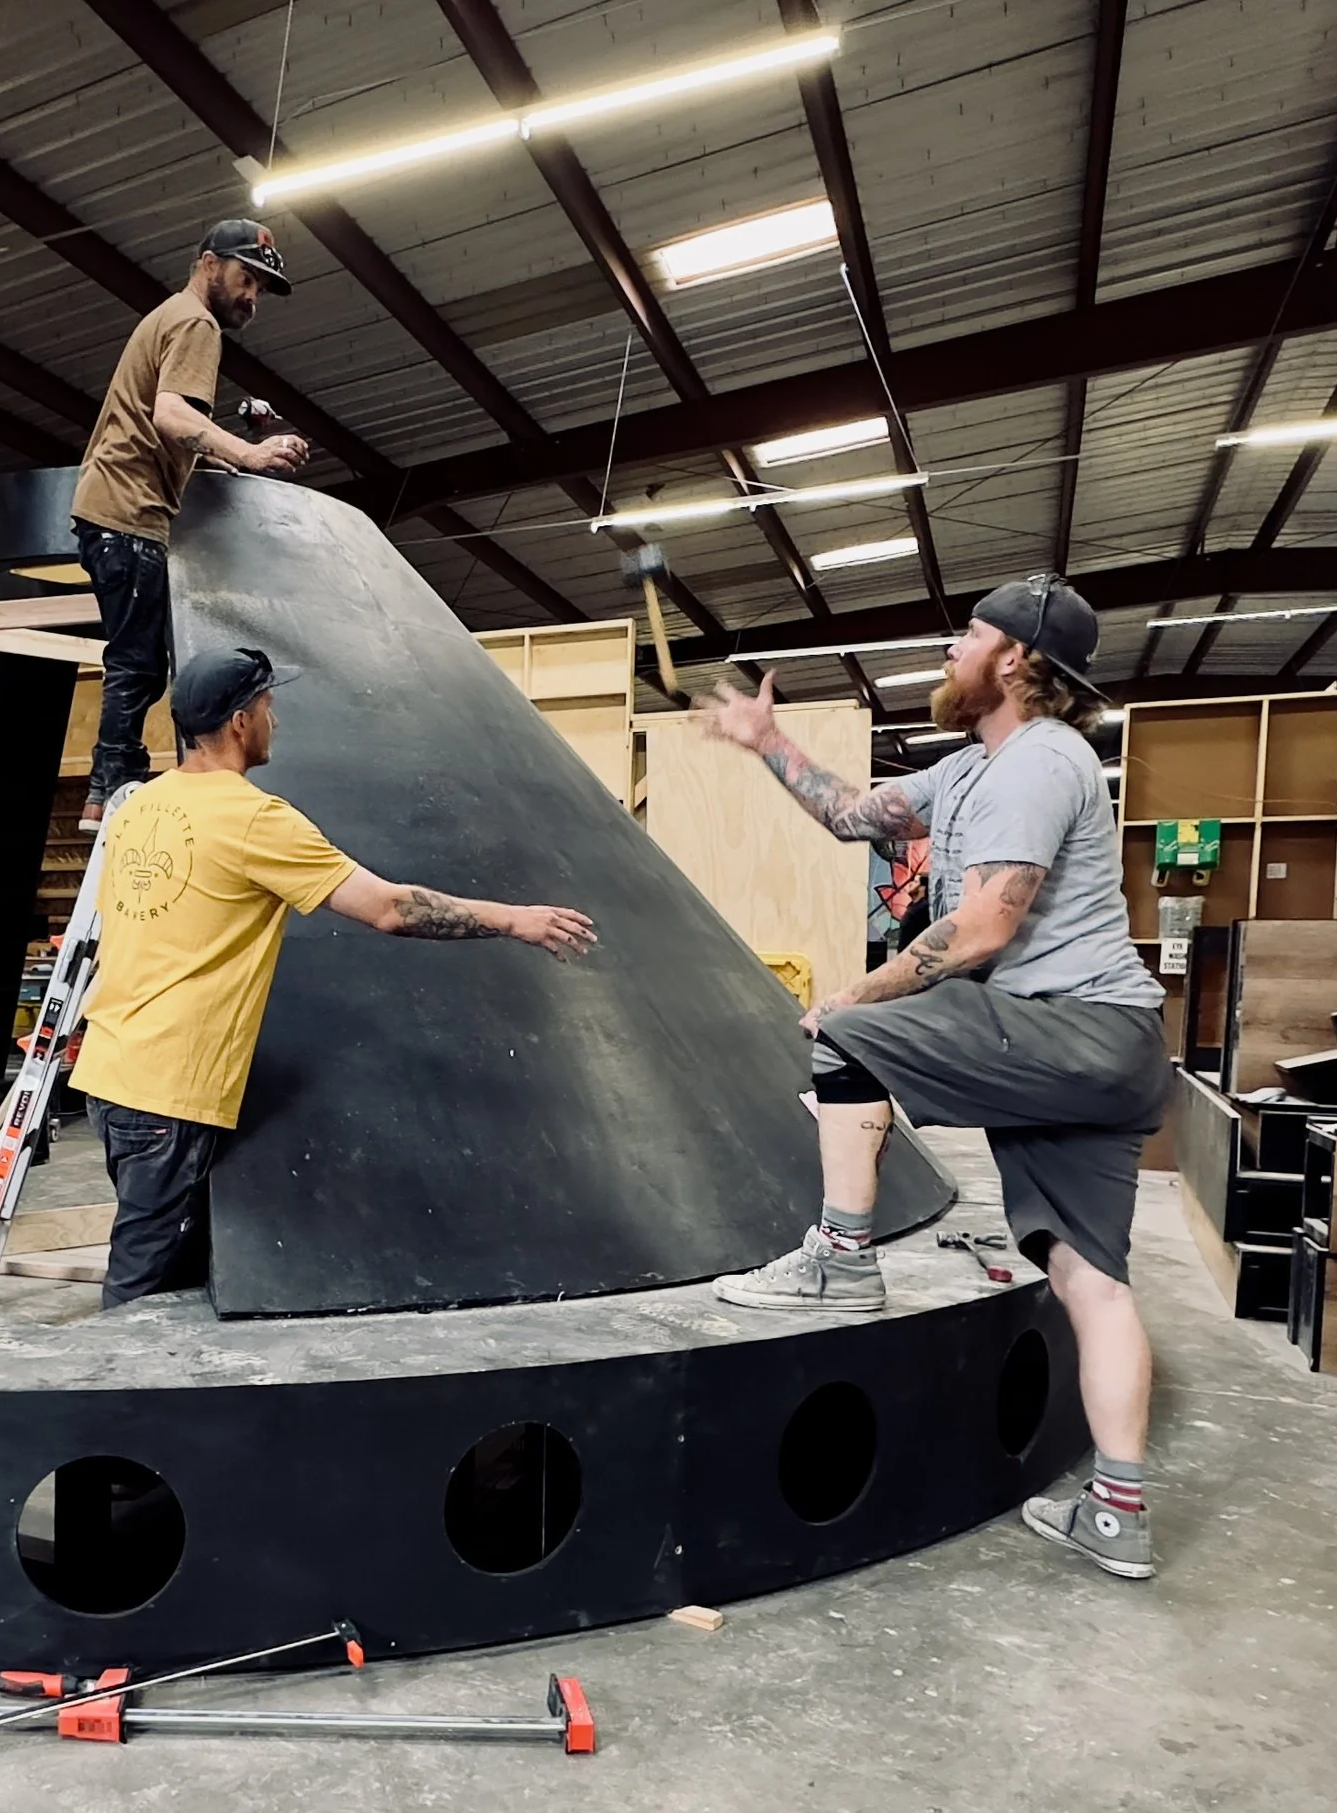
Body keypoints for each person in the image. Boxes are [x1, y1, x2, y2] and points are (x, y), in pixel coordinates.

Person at [698, 575, 1172, 1581]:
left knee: (845, 1039)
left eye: (967, 634)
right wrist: (767, 743)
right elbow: (849, 816)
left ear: (1012, 659)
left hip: (1069, 1026)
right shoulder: (968, 769)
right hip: (1105, 1046)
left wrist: (858, 997)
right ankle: (1119, 1513)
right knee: (1089, 1278)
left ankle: (841, 1256)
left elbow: (988, 923)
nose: (948, 651)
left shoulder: (1042, 762)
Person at [69, 645, 596, 1309]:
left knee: (166, 1274)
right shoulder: (253, 818)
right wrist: (513, 918)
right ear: (239, 722)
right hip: (168, 1093)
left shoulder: (141, 807)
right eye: (268, 707)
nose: (275, 721)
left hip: (111, 1071)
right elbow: (391, 908)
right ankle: (119, 1406)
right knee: (139, 1298)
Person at [70, 221, 312, 834]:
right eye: (245, 278)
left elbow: (165, 430)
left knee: (138, 657)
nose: (251, 296)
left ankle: (108, 785)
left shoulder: (169, 318)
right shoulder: (197, 323)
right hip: (127, 510)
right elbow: (172, 413)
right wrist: (250, 455)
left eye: (259, 286)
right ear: (209, 265)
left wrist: (225, 451)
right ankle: (115, 785)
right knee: (139, 662)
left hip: (115, 506)